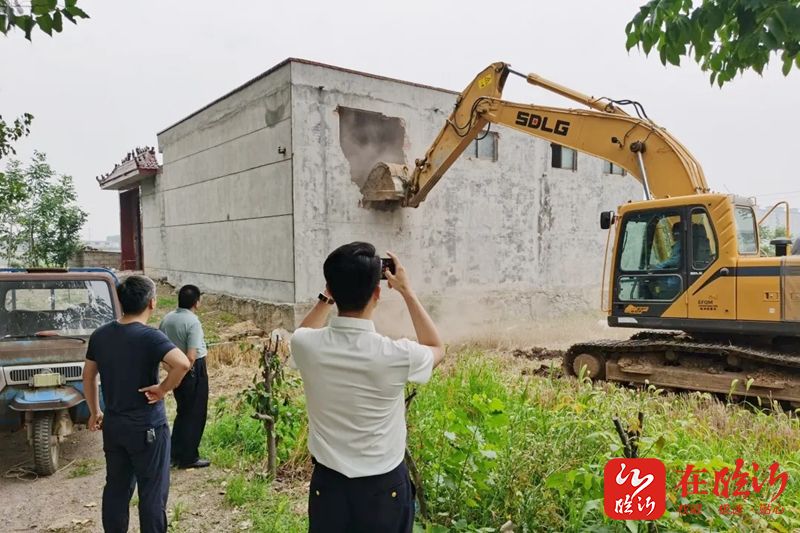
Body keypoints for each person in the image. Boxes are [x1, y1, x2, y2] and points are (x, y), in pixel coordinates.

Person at [290, 243, 445, 533]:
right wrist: (407, 291)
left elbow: (302, 332)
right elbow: (436, 347)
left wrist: (327, 296)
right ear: (377, 293)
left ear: (331, 291)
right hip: (384, 489)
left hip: (329, 486)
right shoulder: (396, 354)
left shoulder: (306, 346)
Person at [82, 275, 191, 533]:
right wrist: (163, 388)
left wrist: (95, 411)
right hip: (147, 428)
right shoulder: (150, 336)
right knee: (152, 492)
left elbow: (88, 375)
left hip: (114, 425)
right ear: (152, 302)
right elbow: (183, 364)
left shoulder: (100, 335)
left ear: (120, 302)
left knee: (116, 489)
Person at [159, 284, 211, 469]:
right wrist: (185, 373)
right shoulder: (193, 322)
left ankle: (174, 454)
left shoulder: (167, 319)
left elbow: (160, 351)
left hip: (175, 368)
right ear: (196, 302)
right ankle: (189, 457)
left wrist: (173, 373)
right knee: (195, 414)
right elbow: (191, 355)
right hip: (193, 370)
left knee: (183, 412)